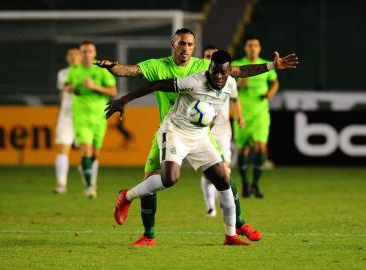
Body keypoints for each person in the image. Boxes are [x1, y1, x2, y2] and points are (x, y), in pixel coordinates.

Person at [95, 28, 297, 245]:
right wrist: (119, 84)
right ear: (173, 43)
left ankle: (234, 230)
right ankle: (142, 224)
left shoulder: (213, 70)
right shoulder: (185, 76)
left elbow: (242, 70)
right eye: (182, 43)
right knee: (165, 179)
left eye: (190, 44)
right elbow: (138, 75)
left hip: (200, 133)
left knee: (224, 178)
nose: (186, 48)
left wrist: (271, 66)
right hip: (173, 130)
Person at [65, 40, 117, 198]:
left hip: (99, 116)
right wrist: (74, 87)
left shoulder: (101, 71)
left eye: (89, 51)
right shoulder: (74, 71)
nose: (87, 54)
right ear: (80, 54)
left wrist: (94, 87)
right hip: (81, 116)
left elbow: (113, 91)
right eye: (84, 51)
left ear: (94, 53)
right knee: (86, 149)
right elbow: (67, 87)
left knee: (94, 154)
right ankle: (89, 186)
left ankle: (85, 167)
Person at [232, 36, 280, 199]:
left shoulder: (266, 65)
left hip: (260, 112)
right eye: (250, 45)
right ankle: (245, 183)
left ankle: (256, 184)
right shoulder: (238, 65)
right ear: (245, 48)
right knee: (243, 149)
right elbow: (225, 83)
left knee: (261, 148)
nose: (253, 48)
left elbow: (275, 82)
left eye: (256, 45)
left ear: (259, 48)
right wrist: (238, 84)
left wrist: (271, 93)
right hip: (242, 112)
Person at [200, 45, 244, 217]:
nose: (209, 58)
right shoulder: (198, 80)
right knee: (208, 174)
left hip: (223, 130)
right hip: (203, 132)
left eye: (212, 56)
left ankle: (230, 213)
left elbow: (235, 100)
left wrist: (239, 116)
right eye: (207, 56)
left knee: (225, 171)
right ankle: (210, 207)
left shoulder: (229, 81)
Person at [53, 48, 81, 194]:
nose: (72, 57)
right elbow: (66, 90)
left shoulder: (91, 72)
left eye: (75, 54)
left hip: (85, 116)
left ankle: (89, 183)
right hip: (66, 116)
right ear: (67, 58)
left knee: (88, 151)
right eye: (70, 54)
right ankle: (61, 184)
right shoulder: (63, 73)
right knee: (63, 148)